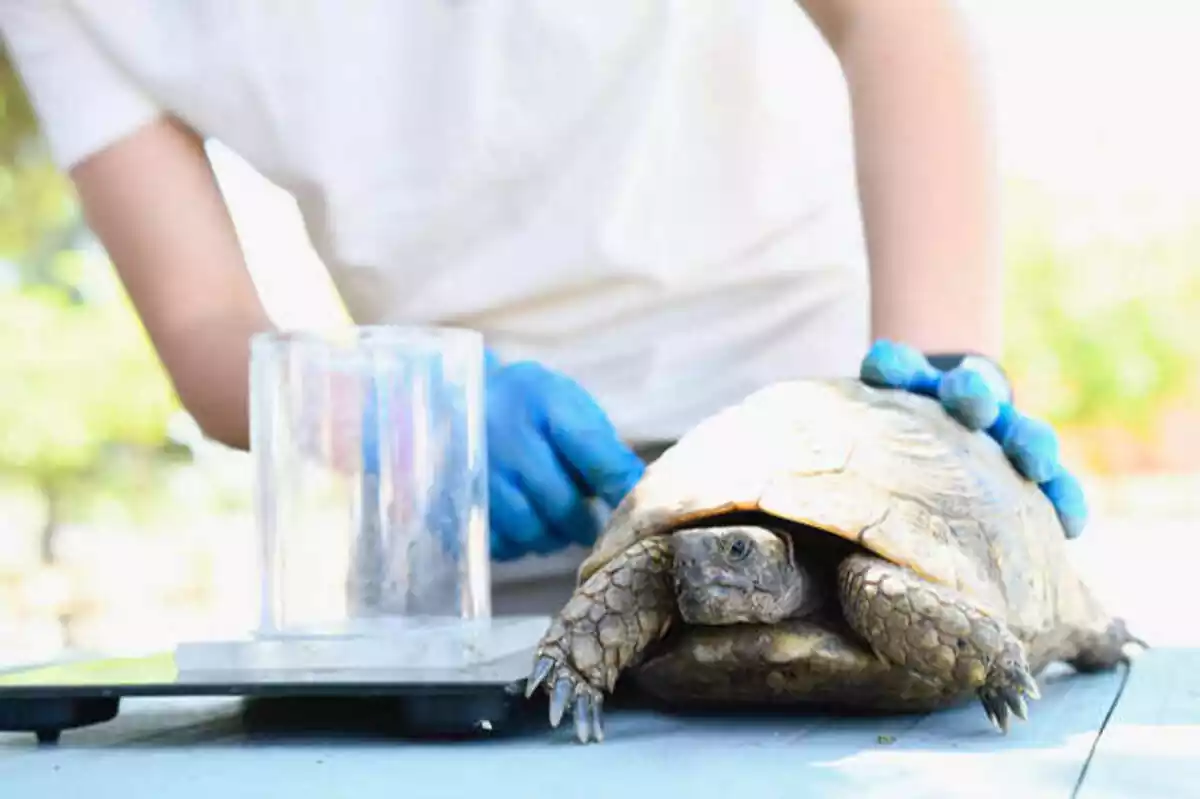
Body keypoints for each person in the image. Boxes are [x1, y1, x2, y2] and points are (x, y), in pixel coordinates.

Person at [0, 1, 1084, 613]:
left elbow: (893, 22)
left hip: (819, 475)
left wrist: (932, 388)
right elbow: (201, 330)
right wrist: (399, 412)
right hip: (478, 534)